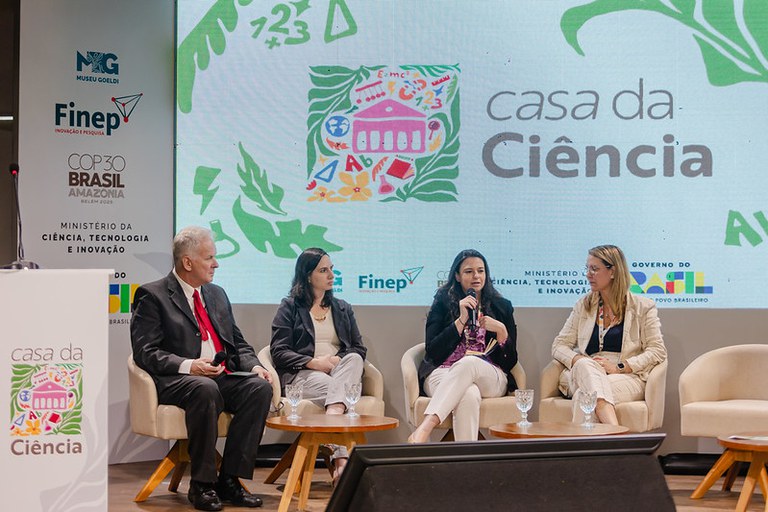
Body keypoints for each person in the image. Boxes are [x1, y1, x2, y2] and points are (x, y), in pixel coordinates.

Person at [131, 226, 272, 511]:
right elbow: (146, 353)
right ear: (187, 262)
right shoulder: (152, 295)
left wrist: (255, 366)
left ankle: (230, 480)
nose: (216, 264)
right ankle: (202, 485)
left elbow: (238, 343)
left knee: (259, 388)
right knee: (205, 388)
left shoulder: (216, 294)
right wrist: (189, 365)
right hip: (177, 380)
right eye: (209, 258)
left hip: (218, 376)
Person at [270, 247, 367, 483]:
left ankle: (333, 415)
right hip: (302, 376)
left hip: (338, 374)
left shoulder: (343, 308)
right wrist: (314, 363)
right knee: (337, 389)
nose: (331, 275)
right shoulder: (290, 307)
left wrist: (336, 363)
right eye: (324, 270)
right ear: (307, 276)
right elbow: (278, 352)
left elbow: (358, 348)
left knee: (353, 359)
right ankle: (342, 461)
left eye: (332, 269)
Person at [409, 249, 518, 443]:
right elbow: (433, 350)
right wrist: (460, 321)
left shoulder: (502, 306)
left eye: (481, 270)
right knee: (468, 394)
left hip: (490, 375)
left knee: (469, 363)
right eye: (469, 271)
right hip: (444, 372)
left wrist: (501, 331)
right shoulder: (442, 302)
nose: (476, 276)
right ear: (457, 276)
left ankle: (425, 427)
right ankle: (466, 466)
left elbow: (509, 362)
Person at [552, 244, 667, 425]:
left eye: (595, 269)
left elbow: (657, 351)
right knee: (584, 366)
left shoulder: (643, 307)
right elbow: (559, 345)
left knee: (585, 397)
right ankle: (615, 435)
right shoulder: (583, 305)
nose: (588, 274)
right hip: (584, 370)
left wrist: (619, 367)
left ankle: (591, 449)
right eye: (587, 268)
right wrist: (578, 360)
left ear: (612, 272)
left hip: (625, 376)